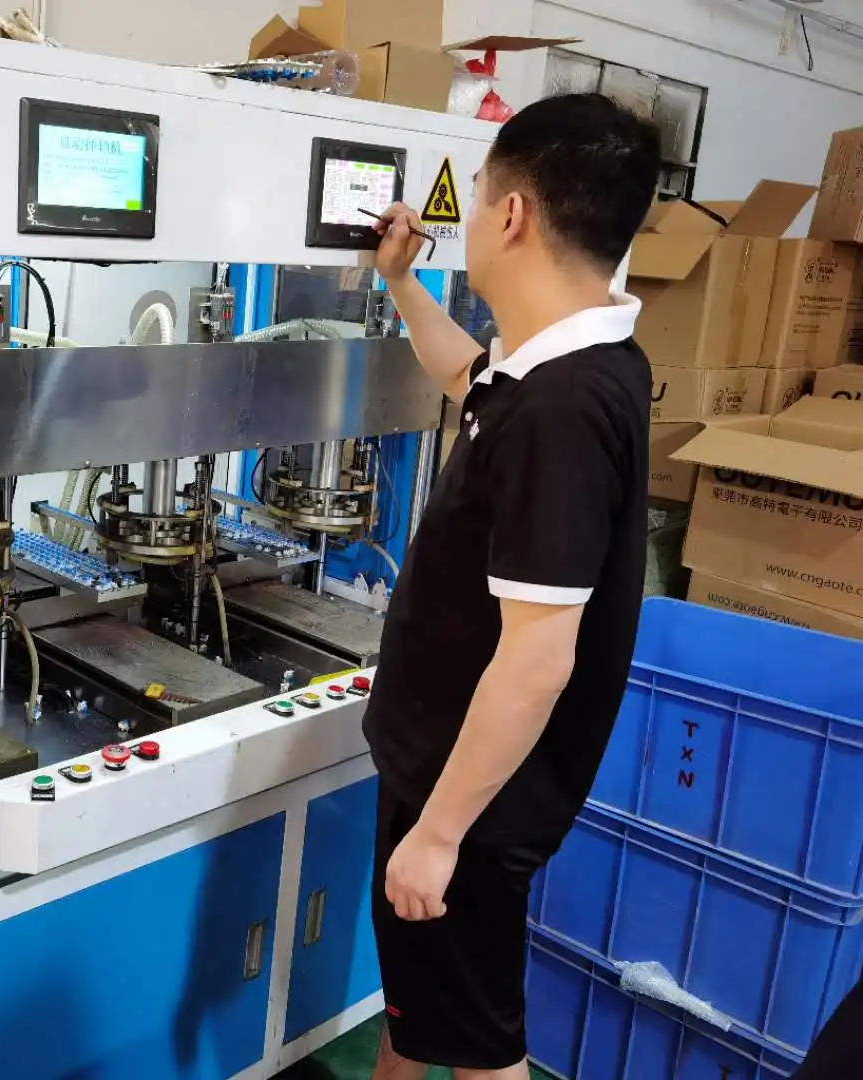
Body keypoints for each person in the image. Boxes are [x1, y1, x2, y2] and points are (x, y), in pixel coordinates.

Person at [363, 93, 663, 1080]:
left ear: (513, 214)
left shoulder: (561, 410)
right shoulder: (580, 362)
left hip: (471, 804)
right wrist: (401, 285)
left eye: (481, 192)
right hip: (455, 779)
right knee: (420, 1015)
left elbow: (538, 660)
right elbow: (467, 377)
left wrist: (439, 834)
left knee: (484, 1051)